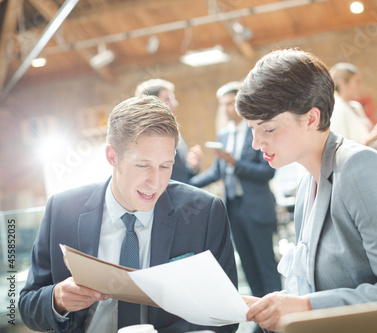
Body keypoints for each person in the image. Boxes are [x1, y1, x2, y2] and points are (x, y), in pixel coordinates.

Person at [235, 49, 377, 331]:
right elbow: (322, 284)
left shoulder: (360, 168)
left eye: (268, 129)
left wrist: (305, 306)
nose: (257, 144)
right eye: (252, 129)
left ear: (311, 119)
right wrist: (277, 305)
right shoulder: (309, 181)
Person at [19, 96, 238, 333]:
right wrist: (57, 299)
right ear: (112, 157)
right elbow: (28, 306)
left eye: (165, 165)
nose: (155, 182)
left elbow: (226, 316)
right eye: (143, 165)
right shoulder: (61, 210)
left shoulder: (205, 213)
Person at [189, 82, 282, 300]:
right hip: (234, 211)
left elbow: (268, 172)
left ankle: (278, 315)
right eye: (223, 105)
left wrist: (235, 162)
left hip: (257, 208)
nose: (227, 109)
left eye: (231, 103)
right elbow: (216, 171)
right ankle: (260, 314)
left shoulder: (259, 131)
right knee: (248, 266)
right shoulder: (223, 135)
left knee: (266, 265)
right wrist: (187, 186)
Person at [135, 78, 203, 183]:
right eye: (168, 99)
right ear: (152, 103)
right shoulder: (145, 137)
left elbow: (182, 174)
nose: (175, 103)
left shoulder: (173, 130)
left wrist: (193, 167)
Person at [329, 62, 377, 147]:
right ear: (343, 84)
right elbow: (342, 148)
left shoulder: (356, 106)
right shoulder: (337, 109)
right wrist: (375, 135)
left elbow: (365, 138)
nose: (360, 87)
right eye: (357, 82)